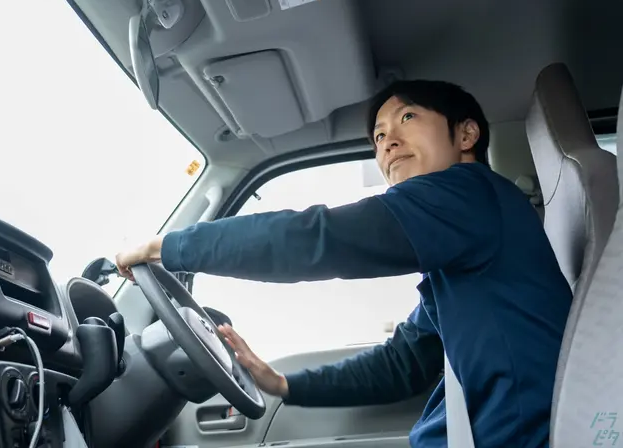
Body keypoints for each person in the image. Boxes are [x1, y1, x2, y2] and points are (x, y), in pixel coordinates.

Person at [116, 80, 572, 447]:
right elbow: (403, 363)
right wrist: (284, 384)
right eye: (379, 136)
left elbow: (318, 238)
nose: (388, 142)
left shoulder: (468, 195)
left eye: (407, 118)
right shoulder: (466, 236)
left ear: (466, 135)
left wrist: (165, 247)